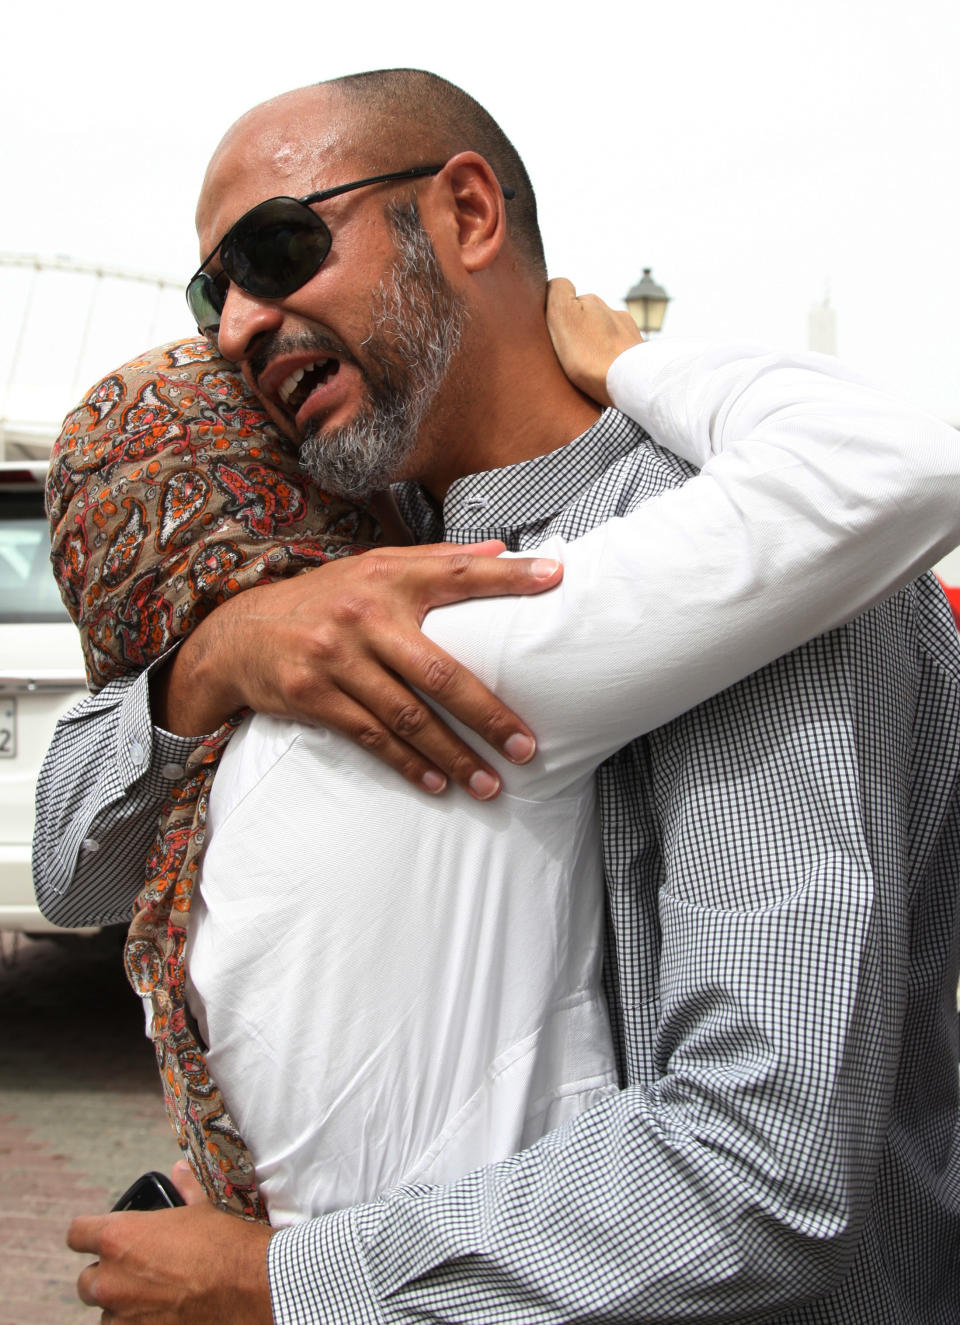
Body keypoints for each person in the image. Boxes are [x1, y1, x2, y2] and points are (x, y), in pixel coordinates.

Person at [44, 69, 960, 1323]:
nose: (241, 325)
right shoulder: (357, 587)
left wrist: (284, 1282)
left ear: (468, 212)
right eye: (219, 295)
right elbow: (75, 868)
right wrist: (214, 658)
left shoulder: (752, 550)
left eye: (278, 248)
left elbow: (763, 1170)